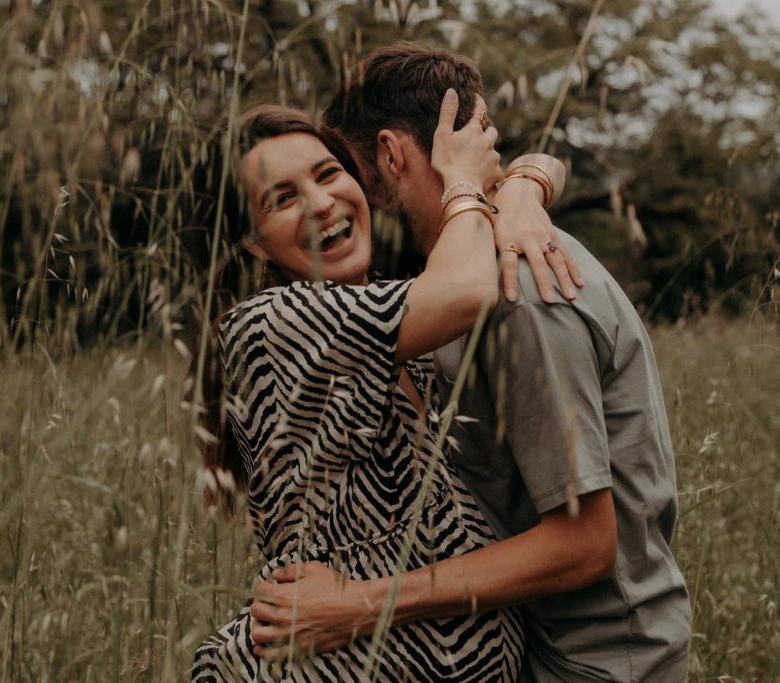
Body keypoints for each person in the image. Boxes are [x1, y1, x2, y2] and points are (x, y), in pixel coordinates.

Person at [249, 43, 692, 682]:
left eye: (337, 168)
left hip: (594, 665)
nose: (335, 199)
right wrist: (526, 182)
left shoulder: (522, 289)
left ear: (389, 153)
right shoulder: (450, 283)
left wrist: (359, 606)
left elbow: (586, 544)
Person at [191, 92, 575, 680]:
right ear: (252, 240)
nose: (321, 204)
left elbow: (551, 161)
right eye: (283, 199)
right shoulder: (268, 325)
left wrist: (525, 183)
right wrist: (466, 184)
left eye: (328, 174)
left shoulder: (396, 324)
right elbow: (468, 293)